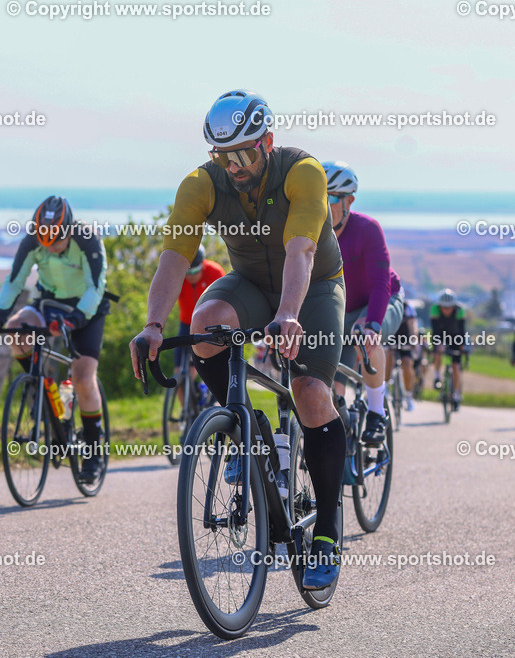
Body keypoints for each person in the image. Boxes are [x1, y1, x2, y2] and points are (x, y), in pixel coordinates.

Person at [128, 90, 347, 590]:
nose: (236, 166)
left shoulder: (302, 171)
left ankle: (329, 532)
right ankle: (245, 423)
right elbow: (174, 257)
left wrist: (289, 315)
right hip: (249, 281)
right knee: (206, 325)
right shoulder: (200, 184)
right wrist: (153, 326)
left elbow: (302, 249)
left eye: (245, 153)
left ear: (267, 141)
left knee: (311, 393)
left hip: (312, 285)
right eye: (224, 156)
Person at [0, 196, 111, 483]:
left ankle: (93, 452)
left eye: (56, 242)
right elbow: (15, 281)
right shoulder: (32, 240)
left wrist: (76, 319)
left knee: (82, 376)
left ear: (68, 230)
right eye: (45, 241)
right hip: (50, 303)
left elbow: (96, 286)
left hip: (86, 310)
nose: (50, 247)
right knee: (16, 331)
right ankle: (39, 388)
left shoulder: (87, 239)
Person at [324, 160, 404, 444]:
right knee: (329, 387)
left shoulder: (367, 229)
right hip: (341, 312)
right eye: (318, 197)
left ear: (349, 201)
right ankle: (338, 431)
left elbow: (380, 284)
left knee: (366, 339)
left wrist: (371, 324)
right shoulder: (313, 234)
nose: (324, 205)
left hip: (382, 299)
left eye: (331, 198)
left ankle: (376, 411)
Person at [174, 246, 224, 403]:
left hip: (209, 325)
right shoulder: (178, 276)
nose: (191, 277)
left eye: (195, 272)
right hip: (186, 324)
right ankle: (187, 417)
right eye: (188, 273)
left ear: (202, 265)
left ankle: (206, 396)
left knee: (201, 368)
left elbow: (224, 302)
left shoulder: (215, 272)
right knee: (178, 376)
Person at [430, 289, 467, 411]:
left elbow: (462, 331)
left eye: (449, 307)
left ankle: (456, 395)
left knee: (456, 367)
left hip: (456, 338)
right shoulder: (435, 310)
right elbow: (434, 331)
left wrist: (462, 347)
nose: (446, 310)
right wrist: (437, 345)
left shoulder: (459, 310)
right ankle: (436, 377)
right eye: (444, 307)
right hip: (440, 335)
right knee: (438, 352)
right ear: (440, 306)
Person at [390, 301, 421, 411]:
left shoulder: (408, 307)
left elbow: (413, 325)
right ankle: (385, 389)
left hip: (405, 339)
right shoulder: (388, 303)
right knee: (388, 356)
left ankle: (408, 395)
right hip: (390, 337)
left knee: (407, 364)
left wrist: (414, 340)